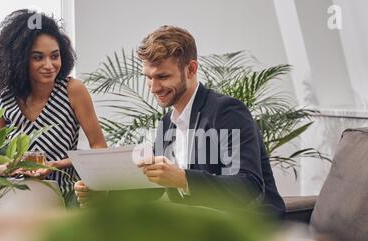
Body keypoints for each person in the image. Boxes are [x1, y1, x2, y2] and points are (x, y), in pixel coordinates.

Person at [75, 25, 285, 218]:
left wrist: (182, 179)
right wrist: (104, 195)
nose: (154, 87)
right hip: (199, 225)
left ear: (191, 69)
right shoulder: (167, 123)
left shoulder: (227, 111)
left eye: (163, 77)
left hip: (246, 226)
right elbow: (154, 190)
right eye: (148, 77)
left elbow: (247, 187)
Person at [0, 9, 107, 200]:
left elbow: (99, 148)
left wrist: (56, 165)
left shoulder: (72, 90)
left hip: (63, 196)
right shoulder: (4, 97)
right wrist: (6, 168)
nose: (49, 65)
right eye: (38, 57)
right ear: (20, 60)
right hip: (14, 195)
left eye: (55, 56)